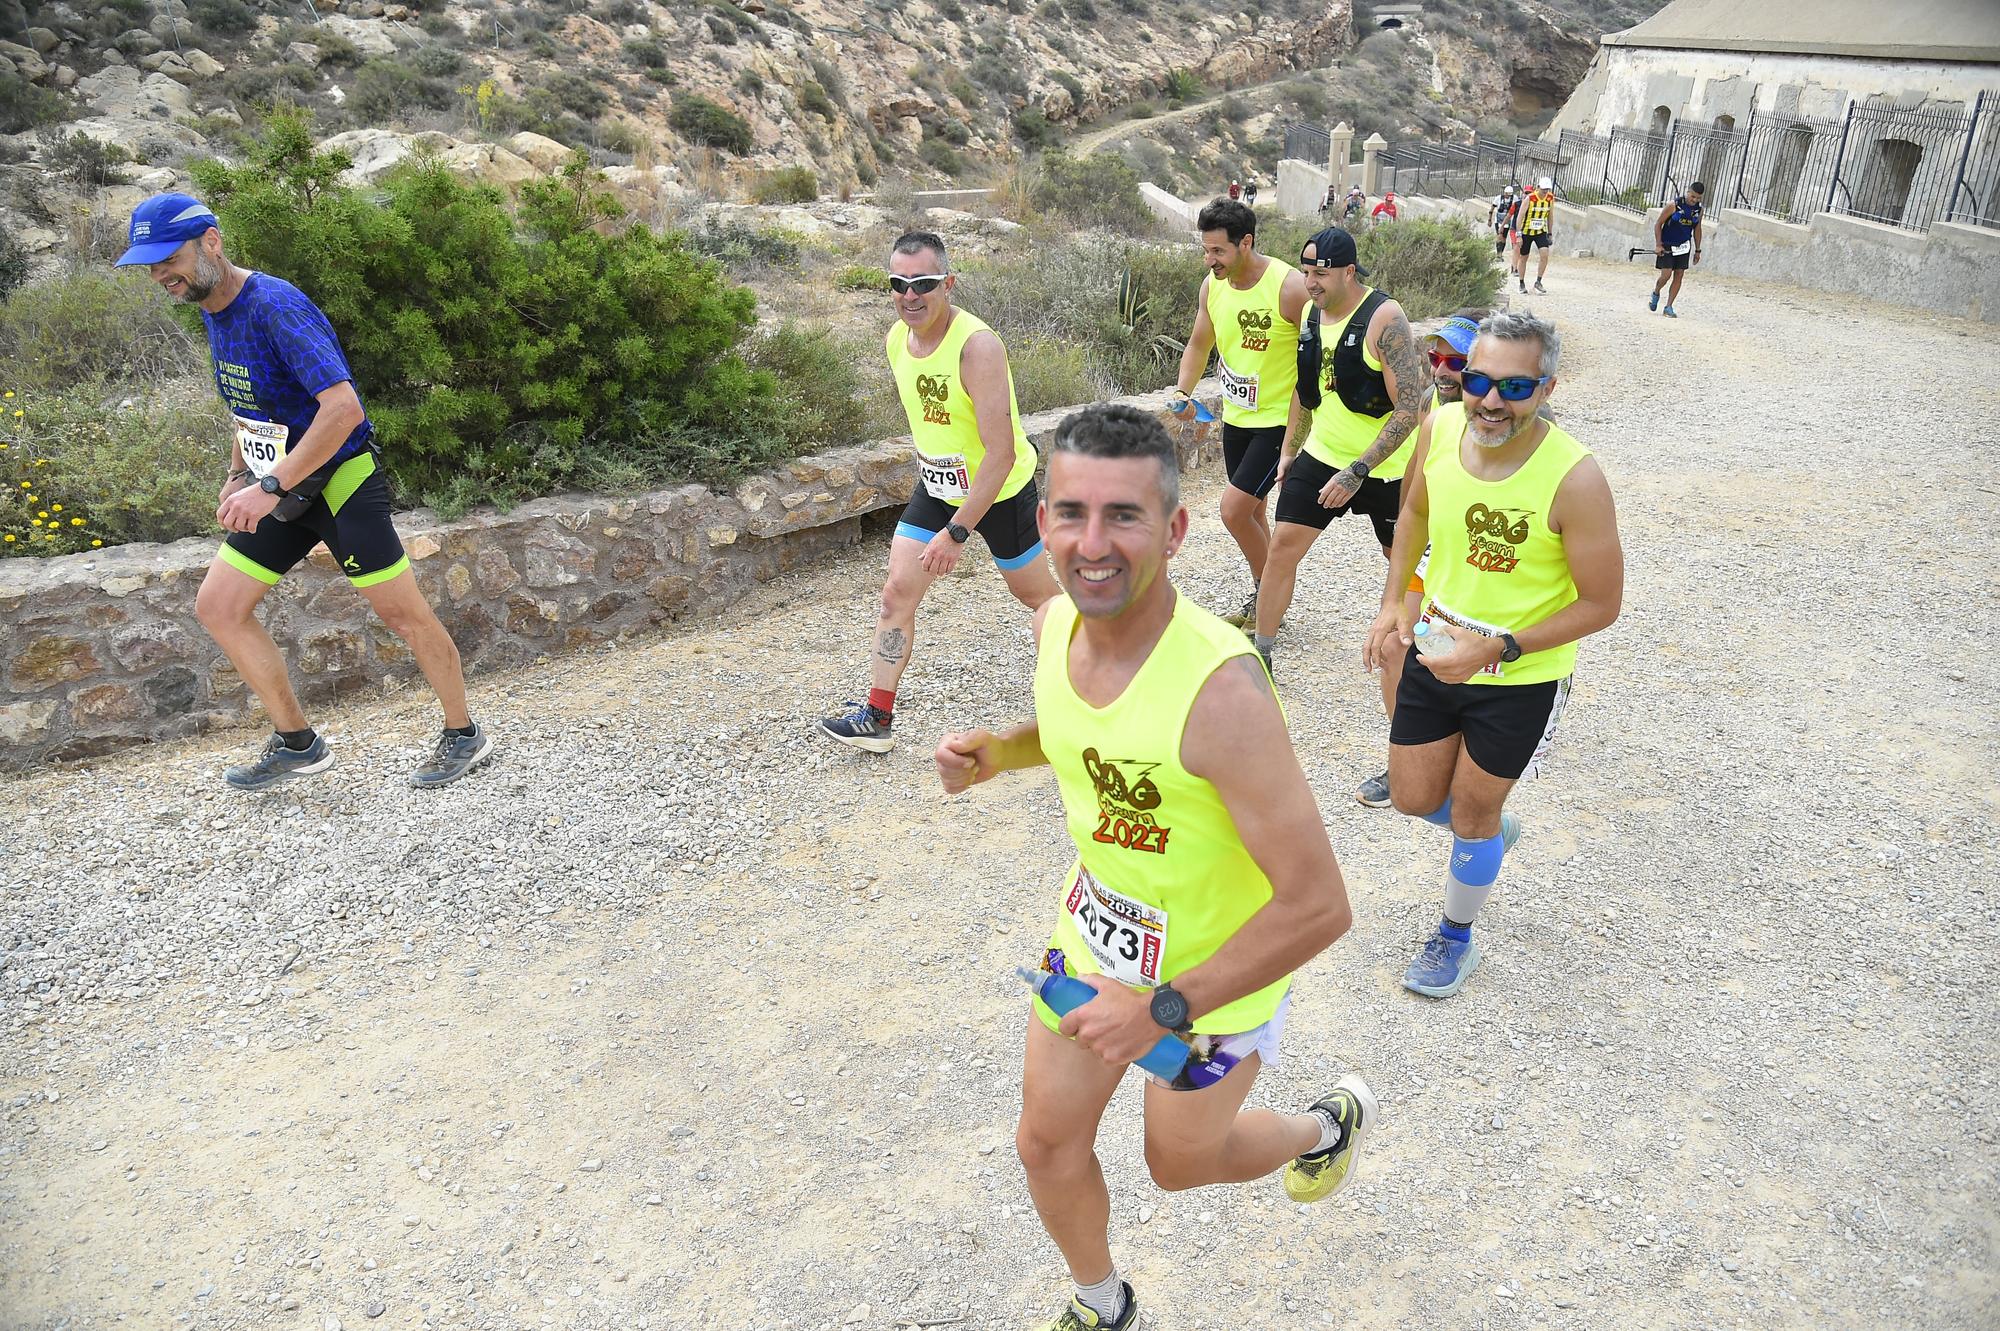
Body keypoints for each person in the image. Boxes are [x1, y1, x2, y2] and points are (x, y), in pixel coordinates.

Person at [934, 404, 1374, 1331]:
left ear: (1174, 529)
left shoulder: (1222, 691)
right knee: (1046, 1144)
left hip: (1211, 983)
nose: (1092, 544)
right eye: (1069, 512)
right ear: (1043, 518)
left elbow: (1320, 905)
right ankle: (1104, 1305)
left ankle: (1325, 1124)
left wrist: (1161, 1007)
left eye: (1123, 516)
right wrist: (1002, 753)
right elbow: (1085, 740)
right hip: (1093, 943)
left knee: (1177, 1166)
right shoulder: (1054, 622)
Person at [115, 193, 492, 791]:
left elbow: (342, 410)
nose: (161, 274)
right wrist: (239, 471)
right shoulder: (215, 311)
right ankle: (298, 743)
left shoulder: (276, 305)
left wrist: (268, 485)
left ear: (211, 241)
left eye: (169, 258)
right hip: (280, 488)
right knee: (219, 607)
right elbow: (251, 407)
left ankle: (464, 733)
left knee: (402, 615)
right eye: (151, 265)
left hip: (340, 483)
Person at [1363, 312, 1624, 998]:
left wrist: (1501, 646)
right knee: (1415, 797)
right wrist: (1395, 602)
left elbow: (1601, 603)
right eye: (1476, 379)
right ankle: (1491, 827)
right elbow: (1414, 512)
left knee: (1470, 816)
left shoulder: (1575, 479)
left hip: (1521, 676)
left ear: (1547, 387)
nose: (1489, 400)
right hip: (1437, 648)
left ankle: (1454, 936)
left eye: (1514, 386)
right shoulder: (1441, 427)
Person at [818, 230, 1058, 753]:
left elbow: (1003, 455)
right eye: (898, 284)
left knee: (1040, 600)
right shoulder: (895, 340)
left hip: (999, 493)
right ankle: (877, 718)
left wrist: (956, 533)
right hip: (938, 485)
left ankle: (1090, 689)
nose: (910, 295)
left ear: (948, 283)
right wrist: (941, 501)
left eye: (923, 282)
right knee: (896, 594)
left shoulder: (978, 348)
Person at [1251, 226, 1428, 685]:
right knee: (1282, 550)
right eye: (1307, 271)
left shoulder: (1384, 319)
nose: (1311, 282)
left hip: (1387, 468)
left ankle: (1426, 654)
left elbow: (1410, 410)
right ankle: (1260, 656)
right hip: (1324, 453)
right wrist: (1291, 449)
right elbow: (1305, 388)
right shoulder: (1312, 313)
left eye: (1322, 274)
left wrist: (1358, 471)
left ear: (1350, 272)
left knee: (1406, 564)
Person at [1353, 308, 1483, 810]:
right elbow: (1415, 493)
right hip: (1437, 555)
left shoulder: (1520, 423)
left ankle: (1463, 749)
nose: (1442, 368)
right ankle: (1408, 757)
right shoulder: (1435, 408)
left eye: (1457, 360)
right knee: (1395, 647)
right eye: (1436, 355)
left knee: (1461, 661)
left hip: (1488, 568)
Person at [1169, 198, 1308, 627]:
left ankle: (1268, 601)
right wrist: (1182, 390)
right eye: (1205, 250)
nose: (1210, 260)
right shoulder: (1212, 286)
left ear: (1245, 243)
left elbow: (1315, 362)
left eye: (1218, 251)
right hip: (1237, 418)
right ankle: (1268, 602)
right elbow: (1198, 343)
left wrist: (1299, 434)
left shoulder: (1289, 287)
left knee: (1233, 511)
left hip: (1277, 422)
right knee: (1255, 513)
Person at [1649, 181, 1706, 318]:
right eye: (1693, 196)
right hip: (1668, 244)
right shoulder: (1673, 205)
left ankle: (1668, 306)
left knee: (1679, 274)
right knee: (1666, 275)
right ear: (1688, 192)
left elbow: (1697, 229)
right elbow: (1658, 224)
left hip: (1683, 246)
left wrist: (1698, 250)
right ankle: (1656, 291)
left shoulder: (1698, 210)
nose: (1695, 200)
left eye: (1698, 198)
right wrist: (1658, 244)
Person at [1516, 177, 1556, 294]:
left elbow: (1550, 216)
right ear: (1538, 187)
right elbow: (1520, 216)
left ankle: (1538, 282)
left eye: (1547, 189)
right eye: (1543, 189)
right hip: (1526, 232)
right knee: (1524, 257)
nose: (1545, 191)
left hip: (1540, 231)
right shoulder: (1530, 198)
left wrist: (1549, 233)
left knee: (1545, 254)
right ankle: (1521, 283)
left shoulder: (1550, 198)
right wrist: (1519, 234)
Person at [1490, 183, 1520, 257]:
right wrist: (1489, 219)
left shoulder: (1514, 198)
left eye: (1509, 194)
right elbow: (1492, 208)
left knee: (1504, 237)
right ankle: (1498, 254)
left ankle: (1501, 253)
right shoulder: (1498, 198)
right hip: (1499, 220)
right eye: (1506, 194)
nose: (1507, 196)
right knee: (1499, 235)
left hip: (1507, 220)